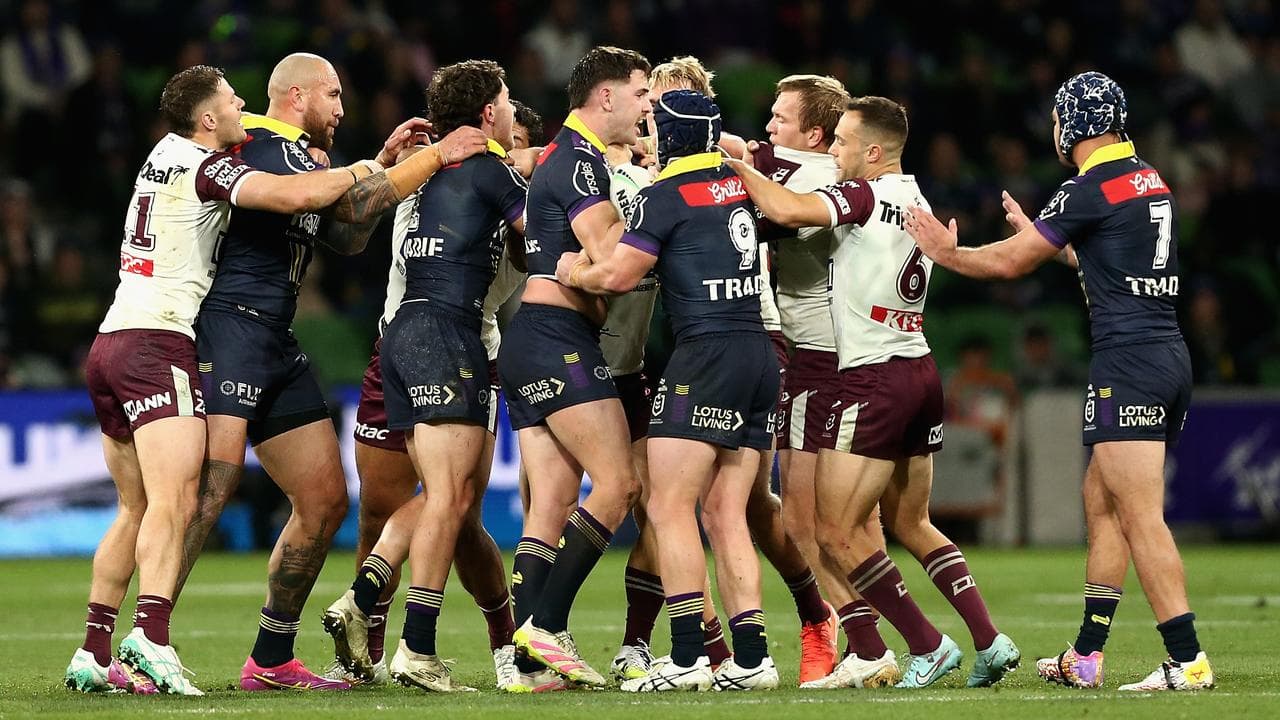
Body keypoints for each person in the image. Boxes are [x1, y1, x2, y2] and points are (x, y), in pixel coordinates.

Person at [66, 64, 482, 696]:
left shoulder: (300, 156)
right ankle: (146, 640)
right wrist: (427, 160)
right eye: (334, 94)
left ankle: (271, 656)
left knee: (323, 501)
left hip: (275, 341)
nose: (342, 106)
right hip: (226, 332)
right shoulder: (258, 145)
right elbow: (327, 197)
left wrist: (378, 163)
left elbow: (344, 231)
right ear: (298, 95)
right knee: (206, 490)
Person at [905, 70, 1214, 691]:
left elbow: (1011, 265)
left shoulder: (1088, 187)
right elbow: (1105, 255)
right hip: (1165, 354)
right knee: (1101, 503)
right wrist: (1047, 240)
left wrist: (947, 253)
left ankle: (1187, 659)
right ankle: (1087, 657)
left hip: (1128, 363)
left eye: (1057, 119)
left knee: (1139, 515)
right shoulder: (1147, 177)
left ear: (1074, 123)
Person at [729, 95, 1019, 689]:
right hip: (920, 368)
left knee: (831, 531)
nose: (834, 153)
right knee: (910, 521)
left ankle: (924, 644)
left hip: (870, 377)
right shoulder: (918, 199)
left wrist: (737, 165)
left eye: (842, 143)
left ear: (874, 152)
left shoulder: (864, 195)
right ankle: (989, 640)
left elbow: (785, 208)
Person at [557, 89, 780, 692]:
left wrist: (572, 270)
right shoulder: (740, 183)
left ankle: (685, 658)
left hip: (704, 353)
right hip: (757, 351)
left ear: (673, 135)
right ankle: (753, 657)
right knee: (726, 511)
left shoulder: (663, 195)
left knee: (669, 506)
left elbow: (619, 275)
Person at [321, 60, 527, 693]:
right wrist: (388, 160)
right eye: (509, 107)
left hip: (418, 341)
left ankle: (494, 645)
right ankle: (385, 642)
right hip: (440, 344)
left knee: (452, 509)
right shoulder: (437, 166)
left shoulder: (463, 173)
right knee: (431, 503)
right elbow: (344, 223)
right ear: (488, 119)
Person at [499, 45, 651, 687]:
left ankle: (524, 664)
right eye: (641, 93)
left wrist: (569, 268)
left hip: (530, 337)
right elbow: (617, 261)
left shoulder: (557, 158)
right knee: (618, 485)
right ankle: (546, 629)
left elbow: (565, 257)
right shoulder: (582, 163)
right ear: (606, 97)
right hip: (560, 336)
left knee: (552, 502)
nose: (648, 108)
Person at [750, 74, 895, 687]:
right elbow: (751, 152)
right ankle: (894, 640)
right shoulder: (810, 171)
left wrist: (717, 162)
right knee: (866, 523)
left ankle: (863, 643)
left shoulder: (816, 181)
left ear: (814, 134)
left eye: (780, 119)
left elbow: (774, 201)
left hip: (821, 360)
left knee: (814, 525)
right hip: (843, 356)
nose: (767, 129)